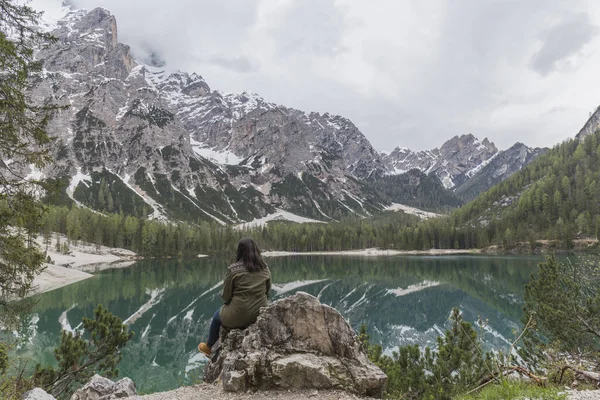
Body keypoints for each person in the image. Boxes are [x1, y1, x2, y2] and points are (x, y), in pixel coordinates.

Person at [198, 237, 271, 356]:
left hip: (238, 313)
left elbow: (226, 296)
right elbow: (268, 291)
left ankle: (209, 347)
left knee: (217, 317)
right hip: (259, 312)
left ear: (240, 251)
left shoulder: (233, 270)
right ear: (256, 250)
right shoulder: (265, 268)